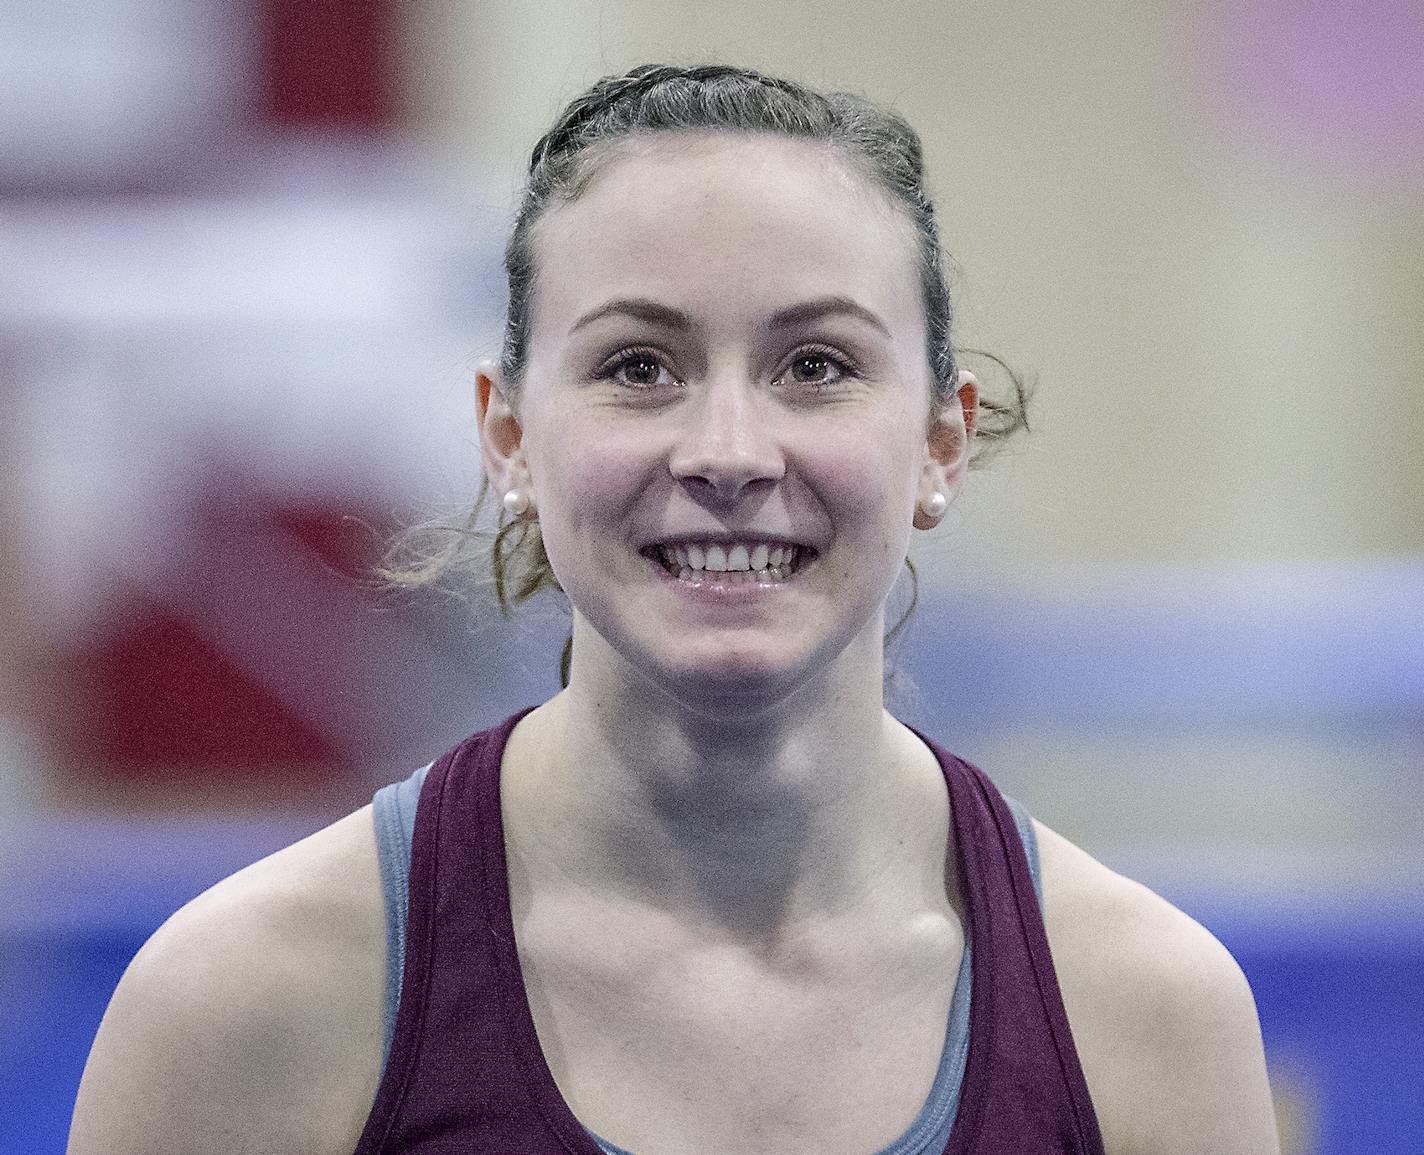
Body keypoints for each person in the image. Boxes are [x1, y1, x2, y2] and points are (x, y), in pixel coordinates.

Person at [68, 64, 1279, 1154]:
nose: (728, 452)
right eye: (637, 367)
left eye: (816, 366)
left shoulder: (1141, 1015)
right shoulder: (254, 1001)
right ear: (509, 436)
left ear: (938, 442)